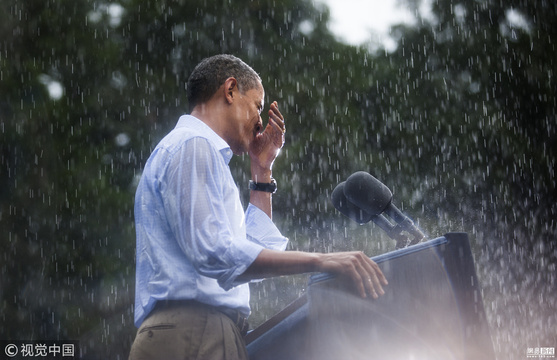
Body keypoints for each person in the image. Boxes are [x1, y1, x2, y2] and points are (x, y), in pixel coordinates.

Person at [128, 54, 388, 360]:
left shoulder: (195, 149)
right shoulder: (193, 146)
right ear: (230, 90)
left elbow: (245, 253)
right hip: (194, 334)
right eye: (258, 106)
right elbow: (216, 253)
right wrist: (322, 260)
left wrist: (262, 172)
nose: (261, 121)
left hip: (199, 333)